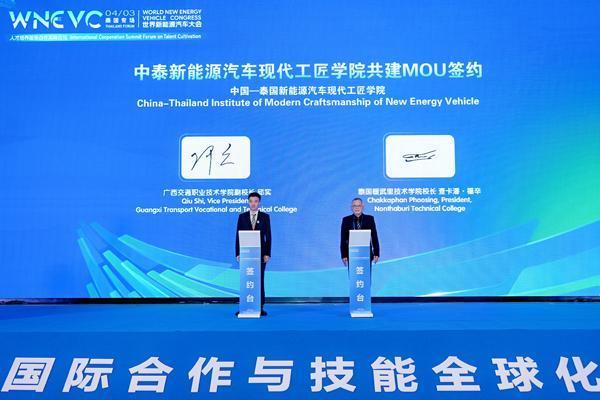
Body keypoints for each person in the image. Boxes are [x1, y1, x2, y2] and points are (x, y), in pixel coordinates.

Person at [235, 192, 271, 316]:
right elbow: (238, 235)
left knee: (259, 279)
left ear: (259, 202)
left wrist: (267, 253)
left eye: (256, 201)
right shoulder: (242, 217)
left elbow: (268, 236)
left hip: (260, 254)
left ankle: (260, 307)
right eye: (251, 201)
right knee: (246, 279)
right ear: (248, 202)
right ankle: (245, 306)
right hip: (246, 254)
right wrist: (238, 253)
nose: (253, 204)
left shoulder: (265, 217)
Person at [340, 197, 380, 267]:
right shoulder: (346, 220)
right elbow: (343, 239)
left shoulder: (369, 219)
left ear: (362, 207)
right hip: (352, 254)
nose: (357, 208)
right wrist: (343, 255)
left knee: (366, 273)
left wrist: (376, 253)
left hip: (367, 254)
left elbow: (374, 236)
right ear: (351, 207)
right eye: (354, 206)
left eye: (359, 205)